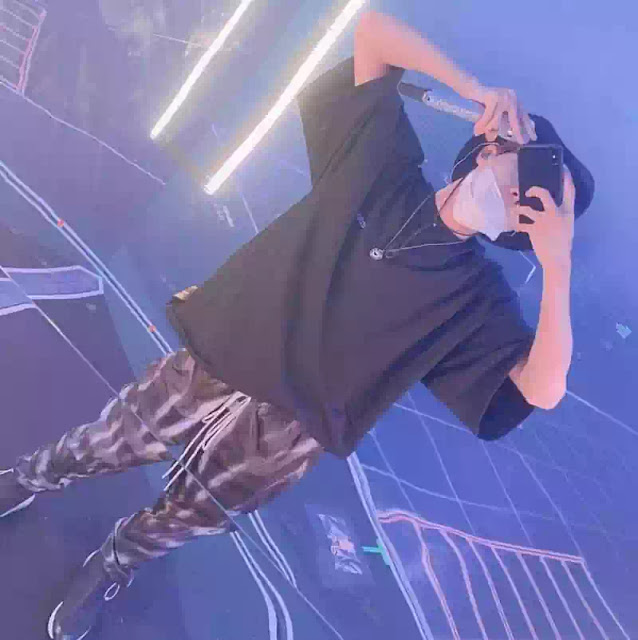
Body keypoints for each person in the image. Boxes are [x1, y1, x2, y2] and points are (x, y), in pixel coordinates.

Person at [0, 10, 594, 640]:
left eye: (549, 210)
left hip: (287, 433)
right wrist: (474, 90)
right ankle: (27, 478)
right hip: (224, 348)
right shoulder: (383, 162)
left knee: (191, 513)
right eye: (536, 180)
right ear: (498, 146)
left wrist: (558, 269)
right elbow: (372, 31)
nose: (531, 205)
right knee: (113, 439)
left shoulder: (478, 299)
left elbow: (539, 390)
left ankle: (114, 563)